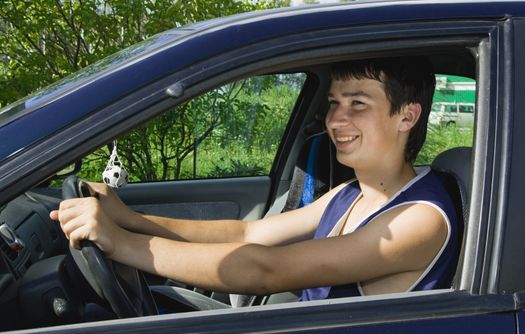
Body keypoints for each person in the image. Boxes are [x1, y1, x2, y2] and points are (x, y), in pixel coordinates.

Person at [50, 56, 459, 303]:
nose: (335, 119)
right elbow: (248, 233)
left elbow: (265, 269)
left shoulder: (417, 219)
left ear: (407, 115)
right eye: (335, 103)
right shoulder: (352, 192)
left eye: (358, 104)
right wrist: (128, 218)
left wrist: (122, 244)